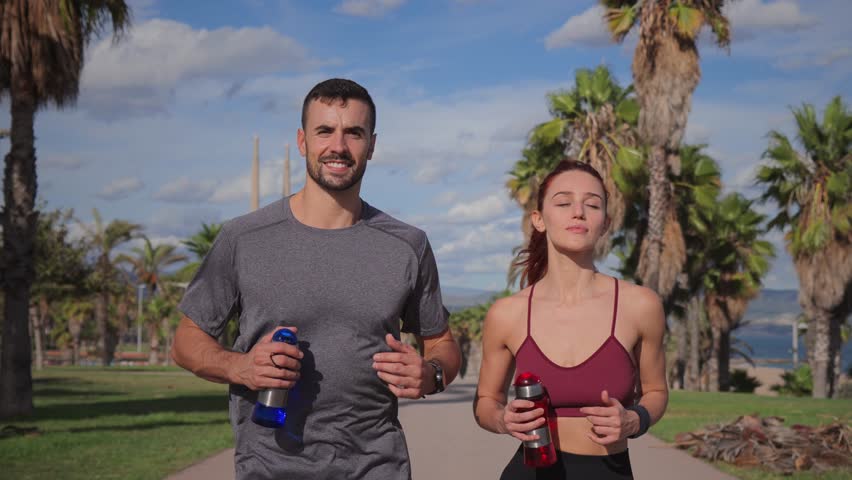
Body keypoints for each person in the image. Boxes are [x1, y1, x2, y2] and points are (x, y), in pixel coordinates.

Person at [171, 78, 461, 479]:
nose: (338, 147)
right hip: (270, 466)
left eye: (353, 133)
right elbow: (185, 342)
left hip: (377, 466)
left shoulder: (408, 245)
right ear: (302, 141)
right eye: (324, 131)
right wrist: (240, 368)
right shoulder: (244, 238)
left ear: (372, 145)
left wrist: (431, 374)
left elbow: (442, 343)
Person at [473, 160, 668, 479]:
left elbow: (657, 391)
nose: (578, 212)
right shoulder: (507, 314)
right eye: (563, 202)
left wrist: (635, 420)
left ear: (604, 223)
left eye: (592, 205)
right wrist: (502, 419)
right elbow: (486, 401)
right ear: (538, 219)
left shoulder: (640, 305)